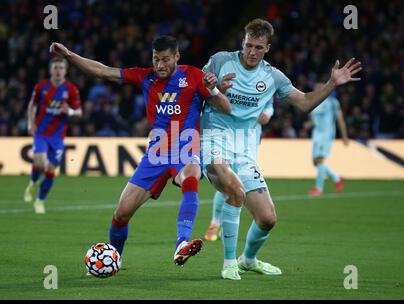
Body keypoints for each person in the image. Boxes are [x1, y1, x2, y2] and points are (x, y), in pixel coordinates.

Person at [201, 18, 362, 280]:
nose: (251, 52)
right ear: (243, 41)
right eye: (248, 45)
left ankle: (248, 260)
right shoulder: (220, 61)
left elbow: (305, 103)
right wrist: (214, 88)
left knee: (267, 219)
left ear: (268, 48)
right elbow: (195, 89)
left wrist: (332, 84)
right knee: (232, 187)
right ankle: (228, 262)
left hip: (245, 148)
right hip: (214, 137)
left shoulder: (273, 77)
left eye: (258, 47)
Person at [49, 35, 231, 266]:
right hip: (155, 155)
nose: (160, 65)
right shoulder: (146, 77)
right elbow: (104, 71)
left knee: (191, 175)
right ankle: (113, 259)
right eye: (156, 59)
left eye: (165, 59)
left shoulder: (194, 76)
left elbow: (226, 108)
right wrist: (68, 55)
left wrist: (213, 90)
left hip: (185, 147)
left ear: (177, 56)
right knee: (121, 214)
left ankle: (182, 243)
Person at [204, 102, 274, 241]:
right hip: (230, 134)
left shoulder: (266, 83)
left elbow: (269, 105)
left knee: (237, 180)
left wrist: (268, 113)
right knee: (227, 178)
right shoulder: (232, 83)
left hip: (251, 136)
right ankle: (215, 222)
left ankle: (226, 222)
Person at [24, 57, 82, 214]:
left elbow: (78, 112)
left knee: (50, 170)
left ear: (66, 71)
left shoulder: (71, 89)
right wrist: (30, 123)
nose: (58, 71)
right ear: (50, 70)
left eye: (61, 68)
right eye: (55, 67)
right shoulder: (41, 86)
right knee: (41, 163)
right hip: (41, 133)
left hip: (58, 136)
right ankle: (32, 183)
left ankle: (40, 200)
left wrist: (68, 111)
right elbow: (32, 104)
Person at [307, 84, 349, 196]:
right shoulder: (314, 103)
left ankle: (318, 189)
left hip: (326, 135)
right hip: (316, 134)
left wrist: (344, 136)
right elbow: (315, 119)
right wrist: (308, 124)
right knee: (315, 162)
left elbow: (340, 119)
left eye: (319, 88)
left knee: (320, 161)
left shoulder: (333, 102)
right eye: (316, 88)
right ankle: (337, 178)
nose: (317, 90)